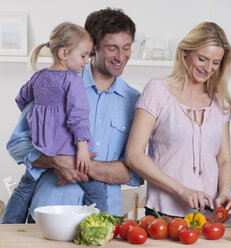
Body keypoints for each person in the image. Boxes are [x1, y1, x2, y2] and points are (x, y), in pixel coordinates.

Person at [1, 8, 141, 224]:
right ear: (92, 47)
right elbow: (16, 143)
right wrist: (53, 159)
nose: (121, 57)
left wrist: (76, 165)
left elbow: (131, 172)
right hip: (49, 215)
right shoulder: (54, 84)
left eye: (126, 48)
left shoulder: (134, 101)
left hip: (102, 221)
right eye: (112, 48)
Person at [126, 22, 231, 218]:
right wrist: (182, 190)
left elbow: (224, 160)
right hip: (164, 213)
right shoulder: (158, 90)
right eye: (202, 59)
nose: (208, 68)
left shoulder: (220, 100)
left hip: (208, 213)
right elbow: (134, 155)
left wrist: (225, 194)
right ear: (185, 52)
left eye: (216, 62)